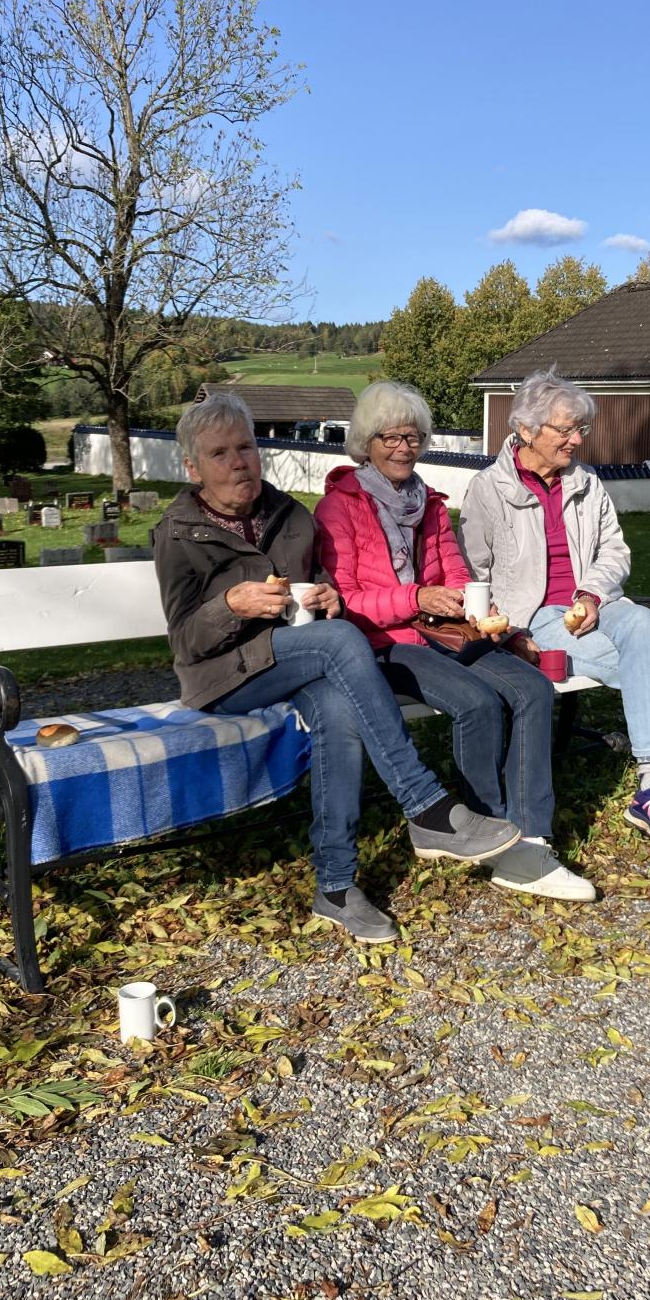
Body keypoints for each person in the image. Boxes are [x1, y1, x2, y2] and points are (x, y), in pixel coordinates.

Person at [154, 391, 522, 944]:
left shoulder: (289, 516)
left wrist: (327, 598)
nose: (239, 462)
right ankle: (425, 804)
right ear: (193, 467)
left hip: (298, 660)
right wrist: (229, 606)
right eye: (220, 453)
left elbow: (331, 594)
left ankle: (335, 885)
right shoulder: (179, 533)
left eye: (247, 447)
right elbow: (185, 641)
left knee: (337, 712)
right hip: (223, 676)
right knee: (340, 642)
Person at [314, 380, 595, 902]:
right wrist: (418, 596)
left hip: (443, 632)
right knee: (476, 702)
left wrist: (481, 608)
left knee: (532, 688)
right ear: (366, 443)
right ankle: (485, 833)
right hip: (380, 643)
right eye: (390, 438)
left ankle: (531, 835)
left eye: (414, 437)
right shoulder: (340, 508)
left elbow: (456, 572)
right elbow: (345, 600)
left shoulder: (431, 503)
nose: (404, 449)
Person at [458, 368, 650, 857]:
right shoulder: (488, 489)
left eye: (582, 430)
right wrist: (506, 628)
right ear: (527, 430)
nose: (576, 440)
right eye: (566, 430)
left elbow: (614, 552)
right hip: (532, 620)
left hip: (593, 604)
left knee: (649, 629)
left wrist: (593, 594)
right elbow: (474, 572)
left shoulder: (587, 483)